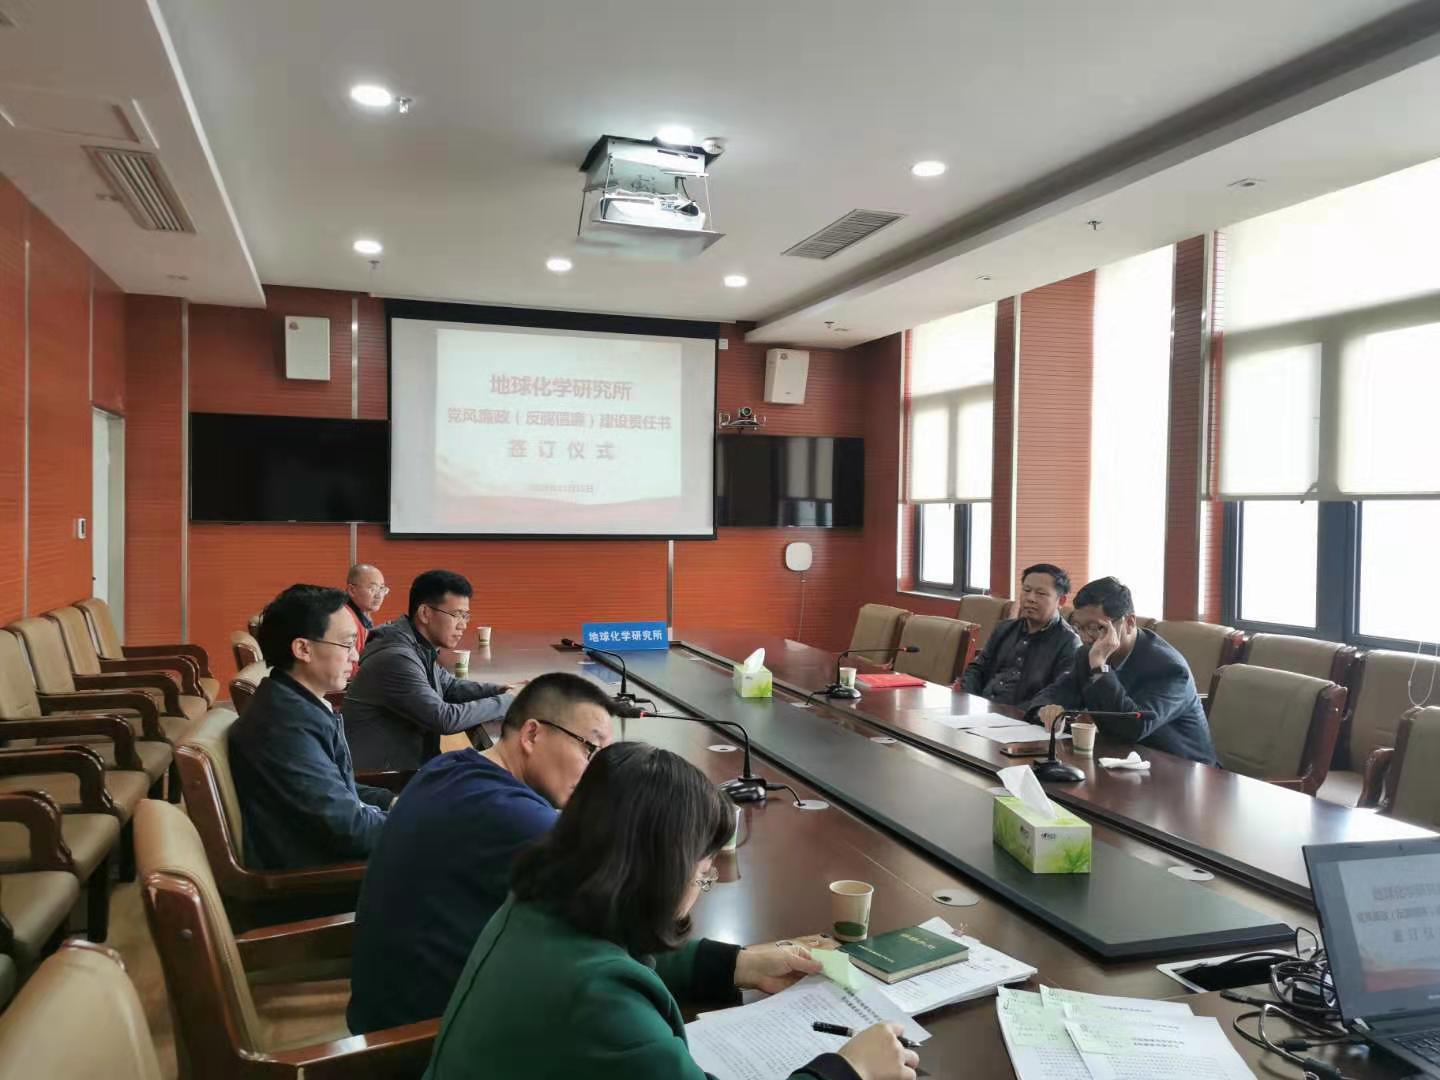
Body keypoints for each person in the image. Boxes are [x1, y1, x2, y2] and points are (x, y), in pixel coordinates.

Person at [423, 741, 918, 1080]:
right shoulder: (600, 1001)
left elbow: (614, 949)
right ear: (658, 873)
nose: (702, 886)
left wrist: (739, 964)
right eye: (702, 874)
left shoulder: (541, 901)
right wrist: (849, 1070)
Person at [347, 672, 618, 1035]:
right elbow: (618, 920)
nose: (596, 772)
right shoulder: (519, 821)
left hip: (381, 1013)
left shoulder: (447, 767)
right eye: (590, 749)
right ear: (532, 735)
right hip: (425, 1039)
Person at [228, 584, 393, 870]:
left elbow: (334, 789)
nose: (356, 656)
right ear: (303, 648)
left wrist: (392, 802)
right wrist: (420, 821)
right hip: (323, 878)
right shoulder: (285, 726)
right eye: (347, 644)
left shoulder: (291, 701)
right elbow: (349, 830)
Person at [1031, 576, 1217, 765]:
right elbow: (1053, 694)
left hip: (1183, 769)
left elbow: (1132, 728)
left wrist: (1100, 667)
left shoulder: (1170, 669)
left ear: (1129, 623)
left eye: (1096, 628)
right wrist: (1046, 710)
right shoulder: (1087, 654)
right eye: (1079, 627)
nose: (1085, 638)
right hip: (1121, 760)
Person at [343, 569, 515, 771]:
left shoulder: (418, 644)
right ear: (425, 613)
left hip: (409, 765)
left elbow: (449, 686)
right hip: (385, 778)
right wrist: (507, 701)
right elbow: (444, 718)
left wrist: (502, 690)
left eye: (466, 616)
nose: (463, 625)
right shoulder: (397, 657)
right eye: (456, 615)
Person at [957, 563, 1078, 710]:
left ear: (1061, 601)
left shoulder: (1069, 643)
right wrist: (970, 701)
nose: (1030, 598)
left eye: (1041, 593)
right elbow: (977, 669)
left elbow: (1057, 695)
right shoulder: (1005, 628)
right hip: (982, 710)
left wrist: (1012, 714)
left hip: (1022, 718)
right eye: (1026, 590)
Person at [342, 563, 387, 660]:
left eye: (382, 588)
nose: (379, 595)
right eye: (373, 589)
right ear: (352, 590)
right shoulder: (345, 619)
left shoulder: (363, 615)